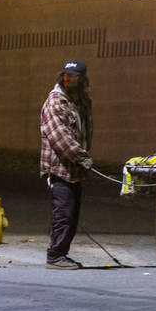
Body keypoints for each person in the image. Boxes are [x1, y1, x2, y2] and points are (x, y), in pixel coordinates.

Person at [39, 59, 93, 269]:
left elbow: (85, 131)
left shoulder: (79, 100)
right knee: (63, 213)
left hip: (74, 168)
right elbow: (59, 136)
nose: (67, 78)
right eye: (65, 75)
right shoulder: (55, 101)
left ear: (82, 79)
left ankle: (61, 254)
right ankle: (55, 256)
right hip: (59, 167)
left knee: (72, 214)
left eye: (73, 76)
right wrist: (82, 157)